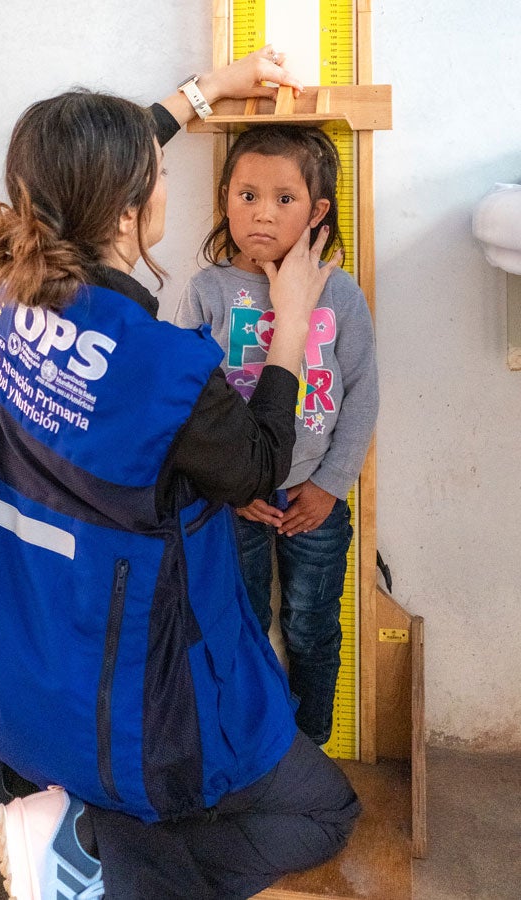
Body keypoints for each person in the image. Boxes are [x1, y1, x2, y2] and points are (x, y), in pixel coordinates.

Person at [0, 49, 360, 900]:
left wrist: (201, 95)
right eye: (157, 172)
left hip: (7, 664)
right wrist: (295, 318)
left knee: (54, 732)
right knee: (319, 813)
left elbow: (79, 176)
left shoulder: (9, 286)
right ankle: (78, 843)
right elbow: (260, 468)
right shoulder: (166, 372)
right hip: (117, 704)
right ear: (131, 208)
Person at [174, 124, 379, 747]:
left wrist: (329, 485)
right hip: (234, 502)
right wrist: (229, 487)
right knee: (240, 624)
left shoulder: (340, 294)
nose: (262, 213)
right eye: (247, 196)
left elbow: (362, 393)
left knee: (312, 627)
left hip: (313, 502)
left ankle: (308, 744)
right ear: (225, 199)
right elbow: (186, 404)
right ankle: (247, 748)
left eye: (285, 199)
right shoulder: (209, 291)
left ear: (317, 210)